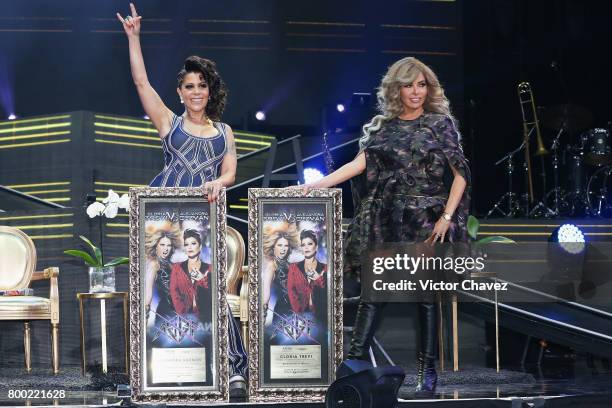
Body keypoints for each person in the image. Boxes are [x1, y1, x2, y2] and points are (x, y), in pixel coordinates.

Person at [294, 57, 470, 395]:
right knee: (374, 293)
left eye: (421, 84)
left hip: (426, 222)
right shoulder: (383, 127)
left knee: (425, 297)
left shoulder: (439, 124)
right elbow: (357, 165)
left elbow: (461, 173)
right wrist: (313, 187)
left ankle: (427, 372)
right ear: (396, 89)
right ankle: (354, 364)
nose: (416, 91)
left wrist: (446, 217)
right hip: (387, 220)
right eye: (409, 85)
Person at [117, 3, 247, 396]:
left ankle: (233, 367)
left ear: (210, 91)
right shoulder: (168, 123)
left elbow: (230, 172)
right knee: (153, 290)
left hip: (200, 219)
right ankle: (147, 367)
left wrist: (220, 185)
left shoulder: (224, 132)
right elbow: (141, 84)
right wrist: (134, 39)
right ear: (180, 92)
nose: (195, 92)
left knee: (209, 290)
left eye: (201, 85)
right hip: (161, 217)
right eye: (188, 86)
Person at [170, 229, 211, 320]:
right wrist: (183, 315)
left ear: (200, 246)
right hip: (183, 318)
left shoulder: (209, 269)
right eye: (186, 244)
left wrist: (202, 280)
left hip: (205, 319)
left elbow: (212, 296)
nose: (189, 247)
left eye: (193, 243)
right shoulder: (177, 268)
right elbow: (174, 293)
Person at [261, 223, 299, 322]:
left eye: (286, 245)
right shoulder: (272, 266)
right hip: (282, 312)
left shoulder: (291, 266)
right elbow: (266, 292)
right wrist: (263, 314)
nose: (283, 249)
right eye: (280, 245)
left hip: (296, 311)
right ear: (274, 247)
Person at [144, 222, 180, 322]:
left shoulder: (171, 264)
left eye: (168, 245)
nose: (166, 248)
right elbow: (148, 292)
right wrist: (145, 314)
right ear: (156, 246)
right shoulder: (154, 264)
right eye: (162, 245)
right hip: (165, 312)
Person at [287, 230, 327, 318]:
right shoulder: (294, 268)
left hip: (321, 316)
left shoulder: (325, 268)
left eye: (310, 244)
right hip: (299, 316)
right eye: (303, 245)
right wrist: (299, 313)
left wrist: (318, 279)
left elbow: (327, 293)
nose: (306, 247)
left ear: (316, 247)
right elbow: (291, 292)